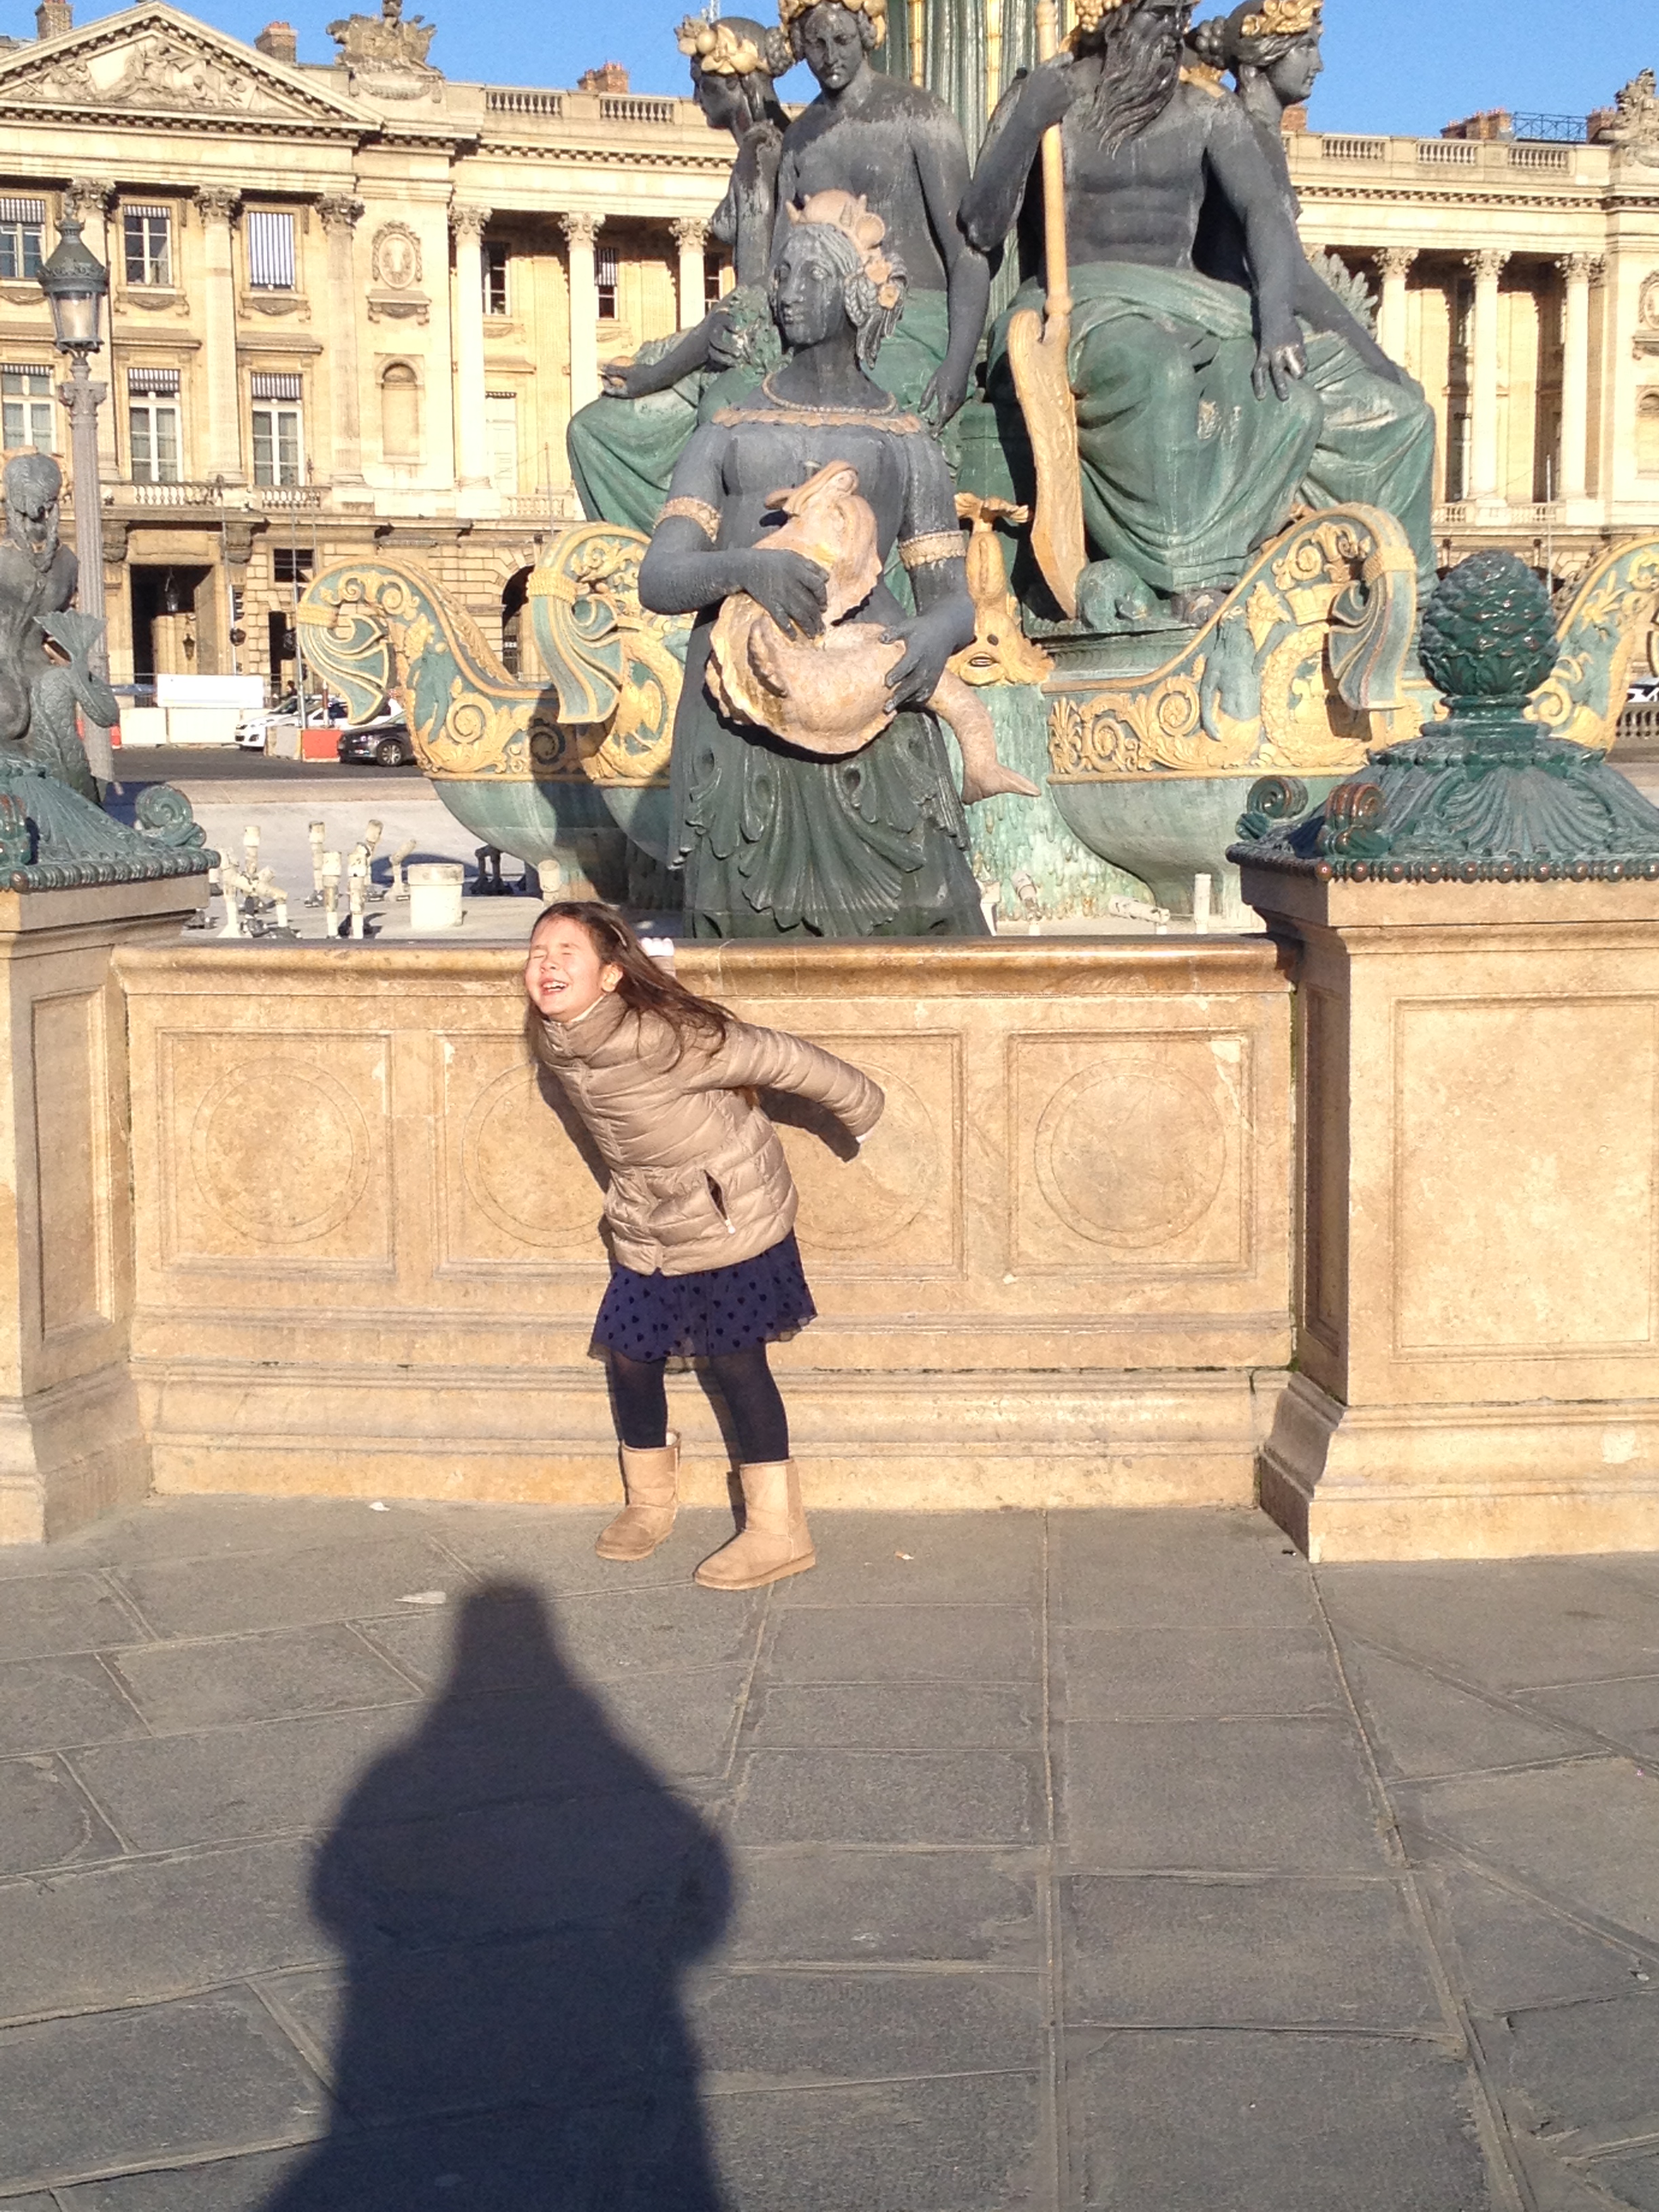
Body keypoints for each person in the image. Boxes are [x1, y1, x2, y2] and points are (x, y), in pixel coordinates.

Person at [958, 0, 1436, 621]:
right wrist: (1027, 120)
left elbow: (1264, 212)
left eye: (1179, 19)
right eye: (1158, 18)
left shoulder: (1206, 110)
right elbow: (981, 226)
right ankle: (1190, 575)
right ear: (1110, 19)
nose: (1172, 36)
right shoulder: (1045, 100)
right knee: (1157, 368)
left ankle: (1399, 598)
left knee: (1395, 413)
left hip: (1199, 308)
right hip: (1077, 306)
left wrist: (1276, 320)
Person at [639, 191, 990, 939]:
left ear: (857, 295)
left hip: (878, 698)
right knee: (744, 940)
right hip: (742, 707)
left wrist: (935, 637)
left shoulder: (905, 439)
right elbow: (660, 578)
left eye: (811, 276)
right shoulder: (726, 430)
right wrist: (747, 569)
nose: (788, 293)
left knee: (920, 930)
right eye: (782, 275)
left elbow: (954, 602)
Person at [524, 899, 884, 1590]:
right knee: (630, 1356)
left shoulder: (663, 1037)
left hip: (729, 1214)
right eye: (539, 953)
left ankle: (779, 1531)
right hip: (649, 1220)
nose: (547, 965)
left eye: (568, 953)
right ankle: (649, 1502)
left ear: (610, 975)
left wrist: (861, 1109)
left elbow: (779, 1056)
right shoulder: (560, 1038)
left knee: (736, 1362)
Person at [567, 15, 790, 534]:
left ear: (733, 81)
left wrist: (658, 370)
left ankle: (671, 553)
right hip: (749, 342)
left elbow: (750, 301)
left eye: (699, 83)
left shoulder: (759, 154)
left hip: (753, 355)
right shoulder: (772, 142)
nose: (694, 98)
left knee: (593, 433)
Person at [773, 0, 990, 427]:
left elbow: (967, 253)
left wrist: (957, 364)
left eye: (842, 40)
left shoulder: (919, 114)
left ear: (865, 35)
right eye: (817, 44)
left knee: (844, 414)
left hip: (912, 321)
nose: (830, 56)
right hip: (823, 332)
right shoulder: (798, 138)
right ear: (800, 46)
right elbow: (781, 260)